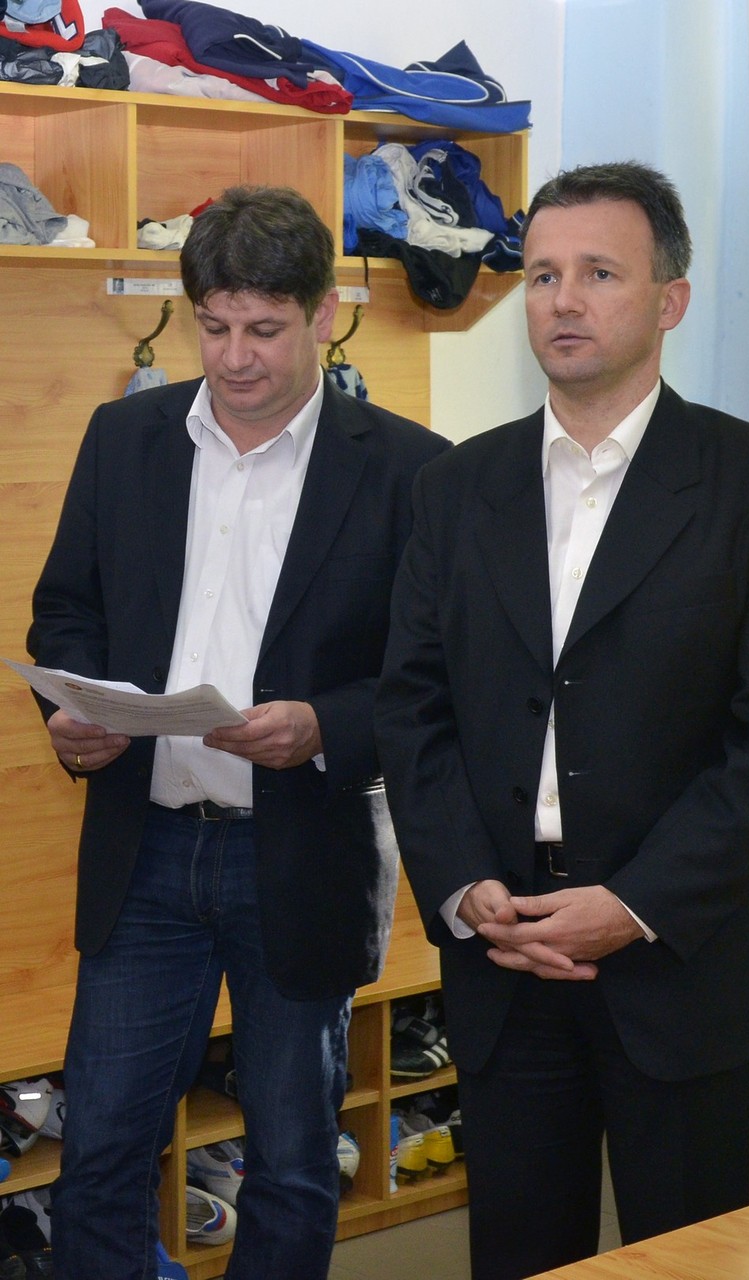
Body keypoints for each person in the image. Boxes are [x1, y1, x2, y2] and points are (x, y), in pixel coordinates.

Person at [374, 161, 749, 1280]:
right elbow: (413, 707)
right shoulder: (455, 487)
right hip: (505, 940)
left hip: (680, 953)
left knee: (688, 1257)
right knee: (519, 1253)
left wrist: (629, 906)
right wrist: (464, 886)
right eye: (541, 275)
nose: (562, 300)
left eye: (597, 273)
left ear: (669, 300)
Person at [27, 184, 449, 1280]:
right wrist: (73, 715)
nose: (234, 357)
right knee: (101, 1150)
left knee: (296, 1159)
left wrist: (324, 725)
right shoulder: (125, 437)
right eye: (213, 327)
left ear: (323, 315)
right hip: (147, 848)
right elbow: (64, 611)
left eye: (263, 328)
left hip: (302, 852)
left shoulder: (409, 467)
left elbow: (434, 676)